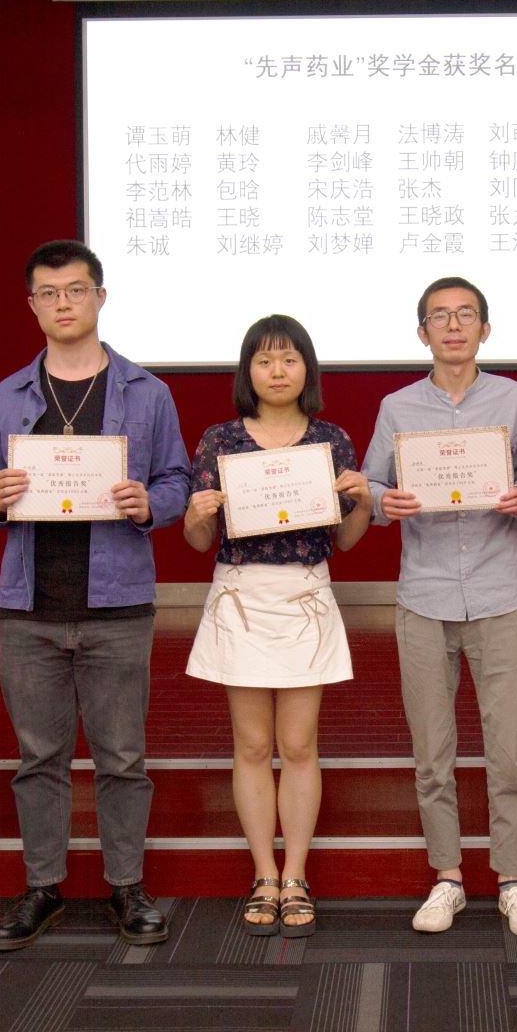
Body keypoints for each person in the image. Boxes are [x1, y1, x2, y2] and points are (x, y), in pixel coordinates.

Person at [0, 239, 190, 950]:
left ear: (100, 296)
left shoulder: (147, 393)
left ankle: (127, 885)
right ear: (32, 305)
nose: (63, 303)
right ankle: (43, 886)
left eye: (75, 290)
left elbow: (178, 481)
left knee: (122, 757)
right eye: (49, 293)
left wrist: (148, 502)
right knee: (39, 758)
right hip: (29, 605)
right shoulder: (5, 398)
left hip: (117, 605)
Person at [363, 276, 517, 938]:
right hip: (425, 594)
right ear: (422, 333)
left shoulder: (512, 397)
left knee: (510, 752)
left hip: (500, 592)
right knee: (432, 752)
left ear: (484, 329)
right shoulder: (396, 407)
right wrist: (384, 501)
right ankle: (447, 876)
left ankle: (512, 880)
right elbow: (372, 486)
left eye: (465, 314)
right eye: (439, 316)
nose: (453, 325)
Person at [182, 315, 372, 937]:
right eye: (264, 361)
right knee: (251, 745)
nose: (278, 371)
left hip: (305, 596)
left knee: (298, 746)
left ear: (307, 369)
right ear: (248, 371)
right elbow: (198, 540)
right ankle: (263, 873)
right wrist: (197, 513)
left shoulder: (330, 440)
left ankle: (295, 875)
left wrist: (365, 502)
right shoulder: (219, 441)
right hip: (241, 596)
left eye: (290, 359)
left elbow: (345, 539)